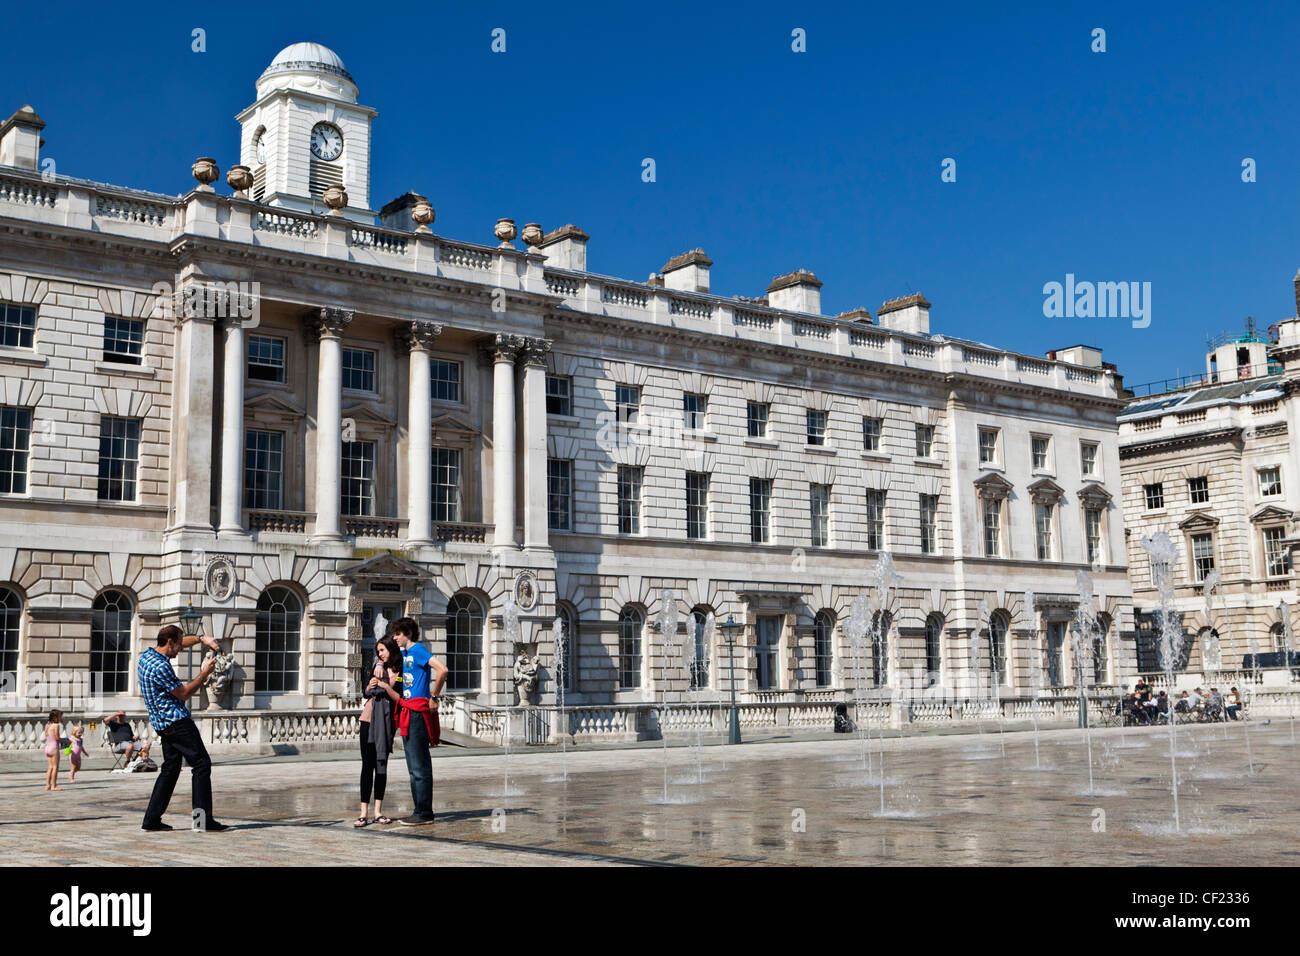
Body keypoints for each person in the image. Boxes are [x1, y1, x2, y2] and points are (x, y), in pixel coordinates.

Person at [138, 624, 228, 832]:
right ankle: (202, 821)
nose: (180, 649)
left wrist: (201, 639)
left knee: (170, 770)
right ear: (170, 642)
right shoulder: (162, 667)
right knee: (202, 764)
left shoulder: (146, 657)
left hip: (163, 725)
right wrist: (204, 673)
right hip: (178, 724)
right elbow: (184, 693)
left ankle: (151, 820)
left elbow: (181, 642)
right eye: (178, 644)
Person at [389, 616, 448, 826]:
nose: (394, 637)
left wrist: (434, 697)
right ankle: (419, 809)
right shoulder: (404, 654)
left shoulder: (418, 650)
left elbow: (442, 669)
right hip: (407, 710)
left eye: (398, 633)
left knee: (419, 765)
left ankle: (424, 812)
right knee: (413, 766)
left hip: (416, 711)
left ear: (408, 633)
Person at [355, 635, 402, 828]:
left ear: (391, 649)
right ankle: (363, 812)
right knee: (367, 765)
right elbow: (366, 693)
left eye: (382, 650)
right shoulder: (376, 668)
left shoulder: (400, 672)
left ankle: (378, 812)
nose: (379, 654)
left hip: (386, 722)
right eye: (378, 651)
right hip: (368, 719)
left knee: (381, 764)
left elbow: (398, 697)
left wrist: (384, 685)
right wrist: (371, 685)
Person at [43, 709, 64, 791]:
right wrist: (68, 741)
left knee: (50, 767)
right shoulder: (56, 725)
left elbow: (47, 735)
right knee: (55, 767)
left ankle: (48, 785)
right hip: (54, 748)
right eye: (60, 717)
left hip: (47, 748)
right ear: (55, 718)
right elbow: (57, 738)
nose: (61, 718)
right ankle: (54, 786)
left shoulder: (47, 725)